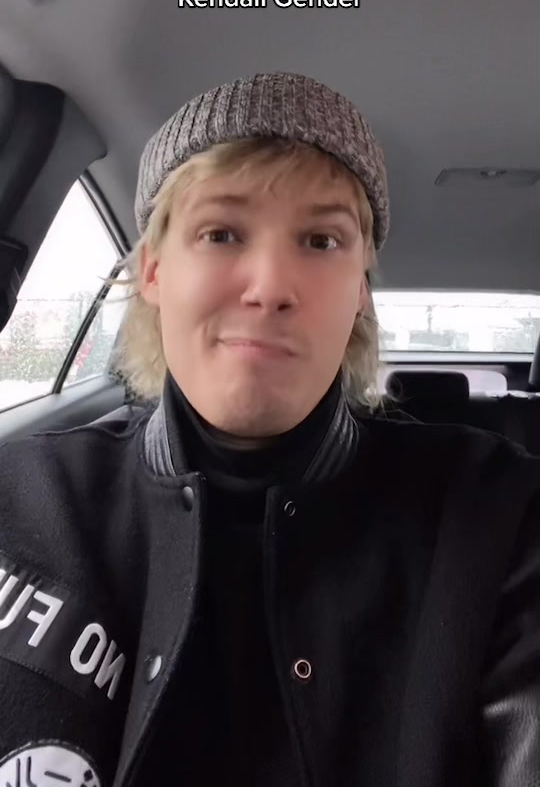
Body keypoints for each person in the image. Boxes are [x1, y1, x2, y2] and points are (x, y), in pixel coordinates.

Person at [0, 72, 538, 787]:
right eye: (221, 233)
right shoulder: (20, 499)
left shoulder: (500, 515)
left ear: (360, 291)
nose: (272, 286)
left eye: (321, 240)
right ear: (154, 271)